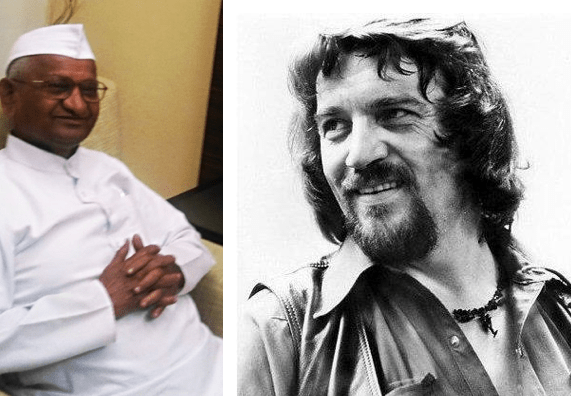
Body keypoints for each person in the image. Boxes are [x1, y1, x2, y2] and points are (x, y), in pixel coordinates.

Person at [238, 18, 571, 395]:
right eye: (335, 125)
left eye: (393, 114)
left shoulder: (560, 308)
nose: (359, 155)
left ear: (470, 134)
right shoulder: (280, 330)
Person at [0, 24, 221, 396]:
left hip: (215, 366)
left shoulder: (108, 169)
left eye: (88, 90)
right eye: (58, 87)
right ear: (8, 95)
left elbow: (184, 238)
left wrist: (172, 271)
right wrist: (104, 300)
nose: (78, 104)